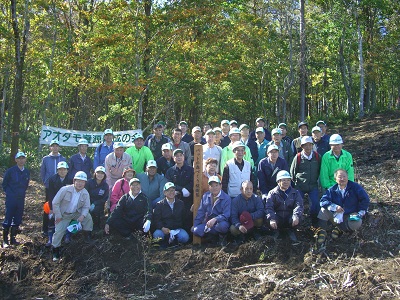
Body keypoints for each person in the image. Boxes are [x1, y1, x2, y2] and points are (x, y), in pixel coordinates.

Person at [315, 169, 370, 244]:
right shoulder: (332, 189)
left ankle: (340, 228)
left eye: (344, 176)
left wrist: (360, 212)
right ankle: (322, 231)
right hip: (336, 214)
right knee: (323, 210)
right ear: (335, 179)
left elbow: (365, 199)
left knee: (357, 222)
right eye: (340, 177)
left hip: (350, 214)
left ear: (348, 177)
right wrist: (334, 207)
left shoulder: (355, 187)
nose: (342, 179)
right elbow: (323, 201)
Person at [51, 171, 93, 261]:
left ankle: (87, 235)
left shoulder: (85, 193)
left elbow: (86, 207)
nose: (80, 184)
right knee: (58, 232)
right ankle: (55, 251)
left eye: (82, 182)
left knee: (88, 218)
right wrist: (58, 216)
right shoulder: (65, 189)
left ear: (85, 183)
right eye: (78, 181)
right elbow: (55, 202)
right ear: (74, 181)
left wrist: (82, 216)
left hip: (75, 213)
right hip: (63, 215)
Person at [290, 136, 321, 227]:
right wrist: (295, 184)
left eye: (309, 145)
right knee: (297, 205)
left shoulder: (317, 156)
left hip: (313, 185)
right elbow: (292, 172)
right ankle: (297, 223)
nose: (307, 147)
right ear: (302, 146)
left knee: (315, 204)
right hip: (300, 185)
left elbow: (320, 170)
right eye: (305, 145)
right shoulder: (298, 157)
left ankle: (314, 222)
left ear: (312, 145)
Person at [265, 170, 303, 241]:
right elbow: (268, 207)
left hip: (289, 217)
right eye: (283, 180)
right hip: (277, 217)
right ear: (278, 182)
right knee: (268, 219)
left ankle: (291, 230)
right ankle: (275, 232)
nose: (286, 182)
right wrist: (272, 219)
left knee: (298, 218)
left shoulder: (295, 193)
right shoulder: (272, 193)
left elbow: (299, 205)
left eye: (288, 180)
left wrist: (296, 215)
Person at [2, 152, 30, 248]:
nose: (21, 160)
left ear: (25, 160)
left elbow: (26, 184)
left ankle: (13, 239)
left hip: (21, 198)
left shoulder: (26, 171)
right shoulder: (11, 171)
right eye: (19, 158)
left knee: (17, 218)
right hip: (11, 198)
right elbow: (4, 184)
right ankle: (5, 240)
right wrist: (10, 193)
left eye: (23, 158)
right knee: (8, 217)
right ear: (16, 160)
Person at [193, 176, 231, 246]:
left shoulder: (226, 198)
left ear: (221, 186)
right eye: (212, 186)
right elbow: (201, 212)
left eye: (216, 185)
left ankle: (221, 238)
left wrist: (215, 219)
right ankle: (211, 237)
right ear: (209, 187)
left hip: (220, 223)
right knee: (196, 230)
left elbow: (227, 214)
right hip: (208, 224)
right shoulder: (205, 196)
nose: (214, 188)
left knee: (222, 226)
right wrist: (196, 224)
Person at [40, 139, 66, 236]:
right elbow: (43, 172)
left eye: (57, 146)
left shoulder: (63, 159)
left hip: (61, 187)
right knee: (48, 207)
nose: (55, 148)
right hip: (50, 187)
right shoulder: (46, 159)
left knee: (61, 206)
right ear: (50, 147)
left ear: (59, 147)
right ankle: (45, 228)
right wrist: (45, 182)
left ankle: (59, 228)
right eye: (53, 146)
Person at [152, 182, 189, 247]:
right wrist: (162, 228)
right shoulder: (159, 205)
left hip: (177, 229)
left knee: (185, 237)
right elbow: (156, 220)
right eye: (168, 190)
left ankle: (176, 243)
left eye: (172, 190)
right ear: (164, 193)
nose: (171, 192)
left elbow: (184, 218)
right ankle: (164, 244)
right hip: (164, 229)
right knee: (157, 235)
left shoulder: (181, 203)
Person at [165, 149, 194, 232]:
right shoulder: (170, 171)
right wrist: (181, 189)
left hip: (189, 198)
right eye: (176, 156)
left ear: (184, 157)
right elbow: (169, 183)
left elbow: (193, 181)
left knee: (188, 216)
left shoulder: (190, 169)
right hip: (176, 198)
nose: (179, 157)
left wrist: (187, 189)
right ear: (173, 158)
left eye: (181, 155)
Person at [46, 161, 72, 247]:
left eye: (64, 169)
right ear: (57, 170)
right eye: (60, 169)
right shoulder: (52, 179)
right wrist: (51, 208)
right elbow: (50, 194)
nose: (62, 171)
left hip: (67, 203)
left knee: (68, 218)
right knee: (52, 219)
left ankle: (67, 236)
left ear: (67, 170)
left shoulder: (71, 179)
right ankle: (50, 239)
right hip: (55, 203)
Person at [85, 166, 109, 230]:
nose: (100, 175)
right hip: (88, 202)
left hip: (99, 204)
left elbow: (105, 198)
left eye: (102, 173)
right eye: (98, 173)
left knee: (96, 211)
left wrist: (95, 203)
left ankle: (96, 227)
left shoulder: (105, 185)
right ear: (95, 174)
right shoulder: (89, 182)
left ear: (104, 175)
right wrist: (89, 203)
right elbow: (85, 194)